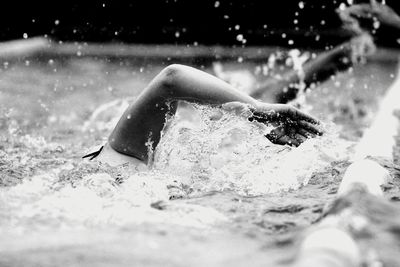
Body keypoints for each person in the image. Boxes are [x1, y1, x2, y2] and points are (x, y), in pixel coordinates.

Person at [83, 64, 322, 167]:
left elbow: (172, 81)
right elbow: (171, 80)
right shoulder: (118, 158)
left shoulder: (121, 162)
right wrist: (256, 107)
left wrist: (256, 109)